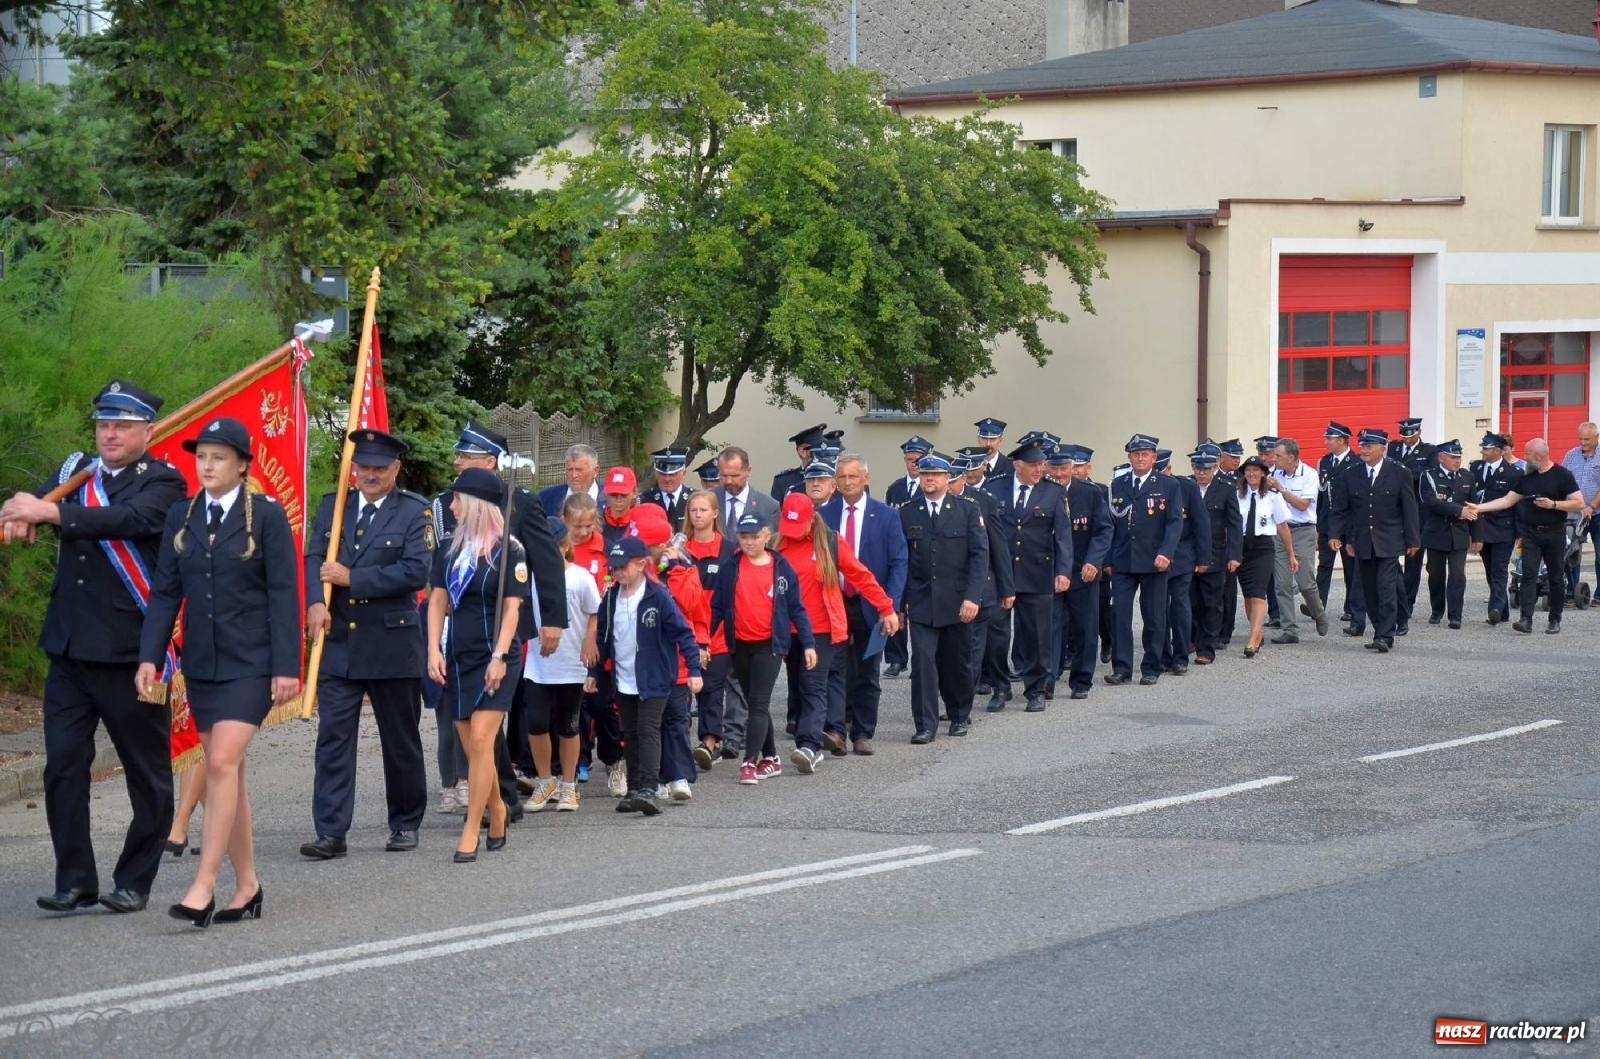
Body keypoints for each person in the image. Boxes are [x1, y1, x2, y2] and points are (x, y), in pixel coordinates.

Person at [1, 379, 187, 915]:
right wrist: (17, 512)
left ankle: (134, 879)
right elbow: (35, 504)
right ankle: (75, 879)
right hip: (69, 649)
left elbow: (130, 520)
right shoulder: (76, 471)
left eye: (122, 426)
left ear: (147, 431)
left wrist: (51, 515)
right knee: (62, 766)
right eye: (104, 424)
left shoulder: (164, 481)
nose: (110, 434)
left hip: (131, 654)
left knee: (146, 774)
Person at [137, 416, 300, 927]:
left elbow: (284, 593)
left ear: (242, 465)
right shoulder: (182, 516)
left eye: (219, 458)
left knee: (222, 763)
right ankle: (247, 885)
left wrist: (287, 666)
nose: (207, 466)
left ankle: (203, 886)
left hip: (253, 662)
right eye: (202, 457)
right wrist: (150, 655)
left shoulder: (266, 516)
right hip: (203, 663)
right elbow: (165, 592)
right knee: (230, 774)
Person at [301, 429, 433, 860]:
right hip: (340, 641)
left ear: (396, 469)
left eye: (379, 468)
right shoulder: (334, 505)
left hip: (391, 642)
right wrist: (315, 602)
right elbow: (314, 557)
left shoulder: (414, 511)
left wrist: (352, 578)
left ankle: (405, 822)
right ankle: (330, 831)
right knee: (333, 740)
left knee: (399, 740)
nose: (370, 475)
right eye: (363, 467)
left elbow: (416, 571)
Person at [432, 421, 568, 826]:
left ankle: (496, 801)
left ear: (490, 462)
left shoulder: (519, 503)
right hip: (461, 626)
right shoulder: (449, 503)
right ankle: (500, 797)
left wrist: (553, 620)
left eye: (466, 456)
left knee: (492, 717)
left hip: (504, 627)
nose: (457, 461)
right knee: (473, 719)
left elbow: (546, 561)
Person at [425, 467, 524, 862]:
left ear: (476, 504)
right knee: (471, 746)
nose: (451, 507)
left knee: (482, 740)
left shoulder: (510, 549)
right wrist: (433, 650)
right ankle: (497, 807)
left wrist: (499, 656)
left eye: (457, 499)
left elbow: (512, 609)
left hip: (497, 656)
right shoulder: (449, 549)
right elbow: (437, 601)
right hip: (458, 654)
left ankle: (472, 827)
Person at [776, 489, 898, 763]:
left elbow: (861, 575)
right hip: (790, 630)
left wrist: (886, 607)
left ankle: (811, 745)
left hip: (823, 628)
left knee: (813, 684)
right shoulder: (777, 544)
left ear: (811, 520)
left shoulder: (829, 542)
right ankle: (817, 736)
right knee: (800, 685)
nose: (792, 533)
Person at [588, 536, 702, 815]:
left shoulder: (658, 596)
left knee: (648, 730)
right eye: (614, 568)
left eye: (623, 567)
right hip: (624, 678)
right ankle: (634, 788)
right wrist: (594, 672)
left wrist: (694, 669)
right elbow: (603, 638)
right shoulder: (611, 598)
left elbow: (684, 634)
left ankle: (649, 788)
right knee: (630, 733)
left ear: (641, 564)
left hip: (655, 677)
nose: (617, 573)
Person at [710, 512, 815, 785]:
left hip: (770, 645)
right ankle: (771, 757)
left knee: (758, 702)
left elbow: (797, 608)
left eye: (755, 536)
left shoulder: (781, 567)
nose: (749, 542)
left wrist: (808, 644)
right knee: (755, 701)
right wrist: (703, 641)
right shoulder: (731, 567)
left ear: (767, 536)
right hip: (740, 644)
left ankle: (749, 761)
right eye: (744, 536)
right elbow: (717, 607)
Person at [818, 455, 908, 754]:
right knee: (835, 667)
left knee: (868, 670)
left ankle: (862, 733)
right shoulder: (824, 515)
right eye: (842, 477)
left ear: (865, 479)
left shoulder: (886, 515)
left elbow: (898, 562)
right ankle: (836, 730)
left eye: (853, 477)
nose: (847, 482)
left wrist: (890, 606)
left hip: (871, 603)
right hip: (835, 602)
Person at [899, 452, 988, 742]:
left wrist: (973, 597)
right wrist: (899, 604)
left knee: (956, 663)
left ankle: (959, 714)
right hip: (922, 600)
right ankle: (925, 725)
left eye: (935, 475)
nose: (929, 479)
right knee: (922, 664)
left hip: (957, 601)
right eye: (925, 475)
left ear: (947, 478)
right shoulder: (907, 512)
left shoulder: (967, 509)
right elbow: (901, 561)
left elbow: (979, 557)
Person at [985, 438, 1072, 711]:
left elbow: (1063, 536)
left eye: (1041, 465)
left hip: (1037, 573)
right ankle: (1000, 687)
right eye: (1033, 465)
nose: (1039, 470)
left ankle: (1036, 689)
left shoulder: (1054, 492)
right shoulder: (994, 488)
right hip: (1001, 574)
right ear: (1017, 466)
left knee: (1037, 636)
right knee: (996, 635)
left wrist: (1063, 571)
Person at [522, 517, 599, 813]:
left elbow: (594, 611)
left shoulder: (580, 577)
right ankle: (545, 781)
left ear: (565, 547)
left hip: (571, 663)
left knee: (568, 725)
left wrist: (589, 639)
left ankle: (568, 784)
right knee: (536, 722)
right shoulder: (529, 577)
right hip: (538, 664)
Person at [1469, 438, 1585, 634]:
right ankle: (1526, 619)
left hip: (1554, 532)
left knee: (1556, 577)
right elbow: (1507, 500)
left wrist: (1553, 505)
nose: (1524, 458)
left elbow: (1579, 502)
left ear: (1539, 457)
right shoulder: (1526, 477)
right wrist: (1479, 508)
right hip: (1530, 533)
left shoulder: (1562, 475)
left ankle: (1554, 619)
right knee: (1528, 575)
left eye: (1528, 455)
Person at [1329, 428, 1420, 653]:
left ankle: (1385, 636)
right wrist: (1335, 535)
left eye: (1369, 446)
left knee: (1386, 588)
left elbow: (1409, 509)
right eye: (1362, 446)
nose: (1363, 450)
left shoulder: (1399, 473)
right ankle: (1380, 628)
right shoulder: (1351, 474)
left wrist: (1413, 539)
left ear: (1382, 448)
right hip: (1362, 541)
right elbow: (1341, 508)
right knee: (1369, 590)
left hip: (1389, 540)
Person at [1105, 434, 1183, 686]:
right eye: (1136, 454)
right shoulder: (1117, 484)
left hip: (1154, 560)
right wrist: (1107, 559)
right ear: (1129, 457)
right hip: (1123, 560)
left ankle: (1151, 666)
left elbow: (1174, 523)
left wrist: (1166, 552)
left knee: (1154, 616)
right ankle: (1122, 668)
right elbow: (1109, 525)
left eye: (1145, 454)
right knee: (1119, 615)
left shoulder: (1168, 485)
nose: (1140, 458)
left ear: (1153, 458)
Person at [563, 492, 627, 795]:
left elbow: (612, 594)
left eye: (588, 526)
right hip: (566, 640)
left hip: (599, 641)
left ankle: (614, 762)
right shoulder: (559, 550)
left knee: (602, 707)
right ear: (565, 522)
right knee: (571, 711)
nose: (583, 532)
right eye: (577, 526)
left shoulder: (607, 551)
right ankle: (572, 769)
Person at [948, 451, 1014, 720]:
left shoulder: (983, 501)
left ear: (962, 479)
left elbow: (998, 546)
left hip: (988, 583)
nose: (948, 487)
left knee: (996, 643)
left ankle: (1001, 687)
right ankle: (961, 703)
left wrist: (1007, 589)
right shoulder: (936, 504)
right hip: (957, 586)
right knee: (967, 649)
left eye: (952, 481)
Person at [682, 490, 742, 767]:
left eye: (703, 510)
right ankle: (679, 743)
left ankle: (710, 741)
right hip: (686, 631)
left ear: (715, 513)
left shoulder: (730, 551)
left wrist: (707, 641)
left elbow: (730, 598)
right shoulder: (681, 550)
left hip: (717, 633)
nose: (698, 515)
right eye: (693, 510)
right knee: (682, 691)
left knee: (712, 689)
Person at [1055, 446, 1112, 699]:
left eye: (1065, 468)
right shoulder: (1042, 491)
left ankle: (1081, 681)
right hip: (1051, 572)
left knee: (1085, 629)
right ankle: (1047, 679)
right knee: (1050, 629)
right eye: (1054, 468)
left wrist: (1093, 561)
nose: (1059, 474)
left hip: (1083, 571)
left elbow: (1103, 530)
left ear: (1073, 468)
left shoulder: (1090, 493)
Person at [1233, 456, 1296, 658]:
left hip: (1263, 548)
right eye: (1248, 470)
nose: (1251, 474)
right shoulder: (1236, 495)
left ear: (1263, 473)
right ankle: (1257, 633)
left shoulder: (1272, 496)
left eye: (1256, 470)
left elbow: (1282, 526)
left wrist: (1291, 554)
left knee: (1258, 593)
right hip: (1241, 547)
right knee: (1248, 595)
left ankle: (1252, 639)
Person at [1268, 438, 1329, 642]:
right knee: (1282, 584)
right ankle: (1290, 630)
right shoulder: (1274, 474)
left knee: (1305, 582)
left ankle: (1319, 613)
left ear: (1291, 457)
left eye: (1278, 456)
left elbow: (1303, 505)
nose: (1274, 459)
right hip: (1280, 530)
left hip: (1303, 531)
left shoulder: (1309, 474)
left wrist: (1281, 489)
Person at [1158, 448, 1210, 676]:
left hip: (1181, 556)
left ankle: (1180, 656)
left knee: (1179, 606)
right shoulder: (1145, 488)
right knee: (1157, 609)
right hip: (1154, 559)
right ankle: (1161, 656)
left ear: (1169, 468)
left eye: (1161, 470)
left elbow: (1201, 523)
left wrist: (1203, 557)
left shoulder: (1186, 487)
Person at [1189, 448, 1242, 665]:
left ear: (1215, 468)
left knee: (1212, 602)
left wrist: (1234, 555)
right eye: (1198, 469)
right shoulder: (1186, 487)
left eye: (1206, 469)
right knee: (1190, 601)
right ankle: (1191, 639)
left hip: (1215, 552)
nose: (1202, 473)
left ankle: (1207, 648)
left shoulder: (1226, 488)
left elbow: (1235, 524)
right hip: (1189, 553)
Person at [1418, 440, 1477, 629]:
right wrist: (1458, 510)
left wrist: (1477, 537)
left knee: (1458, 575)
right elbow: (1431, 502)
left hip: (1459, 534)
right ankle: (1437, 610)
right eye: (1453, 457)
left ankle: (1455, 615)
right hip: (1436, 533)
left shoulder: (1467, 477)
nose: (1457, 461)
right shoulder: (1429, 476)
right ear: (1441, 457)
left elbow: (1474, 507)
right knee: (1436, 574)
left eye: (1459, 457)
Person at [1468, 432, 1522, 624]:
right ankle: (1503, 610)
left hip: (1503, 529)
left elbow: (1518, 506)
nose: (1482, 451)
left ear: (1498, 451)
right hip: (1482, 527)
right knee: (1490, 570)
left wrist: (1520, 532)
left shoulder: (1514, 473)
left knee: (1499, 569)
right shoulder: (1475, 467)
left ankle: (1495, 608)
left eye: (1487, 448)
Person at [1388, 417, 1436, 631]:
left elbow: (1427, 474)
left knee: (1413, 562)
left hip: (1418, 512)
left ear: (1418, 433)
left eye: (1411, 435)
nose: (1407, 439)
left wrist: (1402, 473)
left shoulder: (1429, 451)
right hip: (1394, 510)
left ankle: (1407, 603)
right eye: (1404, 436)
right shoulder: (1394, 448)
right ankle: (1395, 601)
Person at [1316, 422, 1363, 625]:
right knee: (1324, 566)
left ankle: (1351, 608)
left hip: (1349, 524)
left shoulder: (1356, 462)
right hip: (1328, 523)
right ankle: (1317, 607)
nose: (1326, 442)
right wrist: (1318, 524)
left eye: (1329, 438)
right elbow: (1321, 495)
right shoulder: (1324, 461)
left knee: (1350, 568)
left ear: (1342, 440)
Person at [1560, 422, 1600, 598]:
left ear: (1597, 437)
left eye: (1587, 439)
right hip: (1574, 514)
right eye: (1580, 439)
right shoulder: (1571, 456)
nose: (1583, 443)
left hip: (1597, 514)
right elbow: (1562, 481)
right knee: (1571, 553)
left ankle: (1599, 596)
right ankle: (1572, 592)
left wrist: (1591, 506)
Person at [1214, 438, 1246, 647]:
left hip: (1233, 538)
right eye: (1232, 457)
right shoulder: (1207, 477)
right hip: (1214, 539)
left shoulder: (1242, 478)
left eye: (1238, 457)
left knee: (1228, 589)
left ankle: (1225, 631)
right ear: (1221, 458)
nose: (1236, 461)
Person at [714, 446, 780, 531]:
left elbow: (772, 538)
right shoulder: (707, 500)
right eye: (724, 475)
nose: (728, 481)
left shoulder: (768, 506)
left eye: (735, 476)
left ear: (748, 471)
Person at [538, 443, 601, 517]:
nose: (574, 475)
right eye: (569, 470)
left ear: (595, 471)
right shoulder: (546, 498)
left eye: (579, 470)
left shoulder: (610, 499)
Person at [771, 423, 828, 499]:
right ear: (802, 452)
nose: (823, 453)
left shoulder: (833, 477)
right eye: (817, 448)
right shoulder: (784, 482)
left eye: (824, 449)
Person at [640, 446, 692, 527]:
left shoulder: (694, 498)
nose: (667, 479)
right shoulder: (645, 499)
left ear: (684, 473)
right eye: (663, 474)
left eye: (672, 474)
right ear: (656, 474)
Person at [600, 465, 639, 548]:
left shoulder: (641, 521)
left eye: (624, 495)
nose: (618, 499)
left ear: (634, 492)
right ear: (605, 493)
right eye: (613, 494)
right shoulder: (596, 521)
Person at [974, 418, 1012, 482]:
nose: (988, 444)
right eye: (984, 438)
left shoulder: (1011, 466)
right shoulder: (970, 466)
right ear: (978, 439)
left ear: (1000, 441)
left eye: (992, 439)